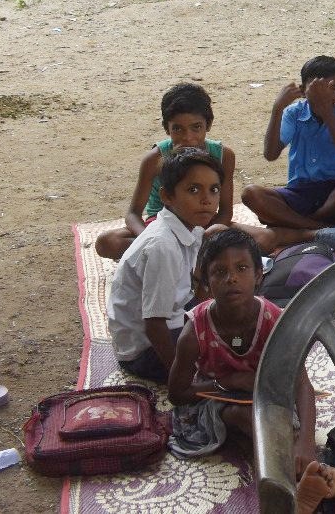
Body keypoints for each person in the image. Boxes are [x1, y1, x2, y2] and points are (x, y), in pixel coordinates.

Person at [166, 228, 317, 467]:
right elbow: (176, 393)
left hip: (265, 394)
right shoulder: (195, 330)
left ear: (259, 275)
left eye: (242, 268)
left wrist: (307, 444)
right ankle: (278, 471)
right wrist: (230, 382)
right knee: (245, 417)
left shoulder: (275, 322)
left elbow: (301, 384)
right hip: (214, 396)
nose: (231, 278)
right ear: (206, 281)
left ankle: (286, 458)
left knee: (282, 424)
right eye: (219, 271)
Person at [108, 147, 223, 383]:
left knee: (234, 312)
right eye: (193, 190)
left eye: (214, 190)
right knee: (228, 360)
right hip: (144, 351)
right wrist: (180, 375)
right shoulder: (162, 246)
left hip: (172, 317)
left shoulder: (191, 228)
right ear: (167, 196)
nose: (206, 199)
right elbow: (154, 326)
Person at [243, 56, 335, 254]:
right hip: (300, 192)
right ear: (304, 92)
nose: (325, 96)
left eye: (332, 89)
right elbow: (270, 154)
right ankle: (317, 227)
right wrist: (277, 109)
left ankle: (303, 226)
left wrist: (325, 110)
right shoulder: (294, 112)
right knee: (251, 194)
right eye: (316, 90)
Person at [96, 83, 237, 262]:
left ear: (208, 125)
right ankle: (178, 255)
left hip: (205, 222)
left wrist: (210, 234)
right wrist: (148, 239)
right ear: (166, 128)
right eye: (178, 129)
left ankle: (187, 255)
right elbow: (133, 214)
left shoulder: (224, 156)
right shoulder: (154, 159)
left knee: (263, 239)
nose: (187, 137)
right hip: (164, 225)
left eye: (196, 127)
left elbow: (225, 211)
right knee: (107, 243)